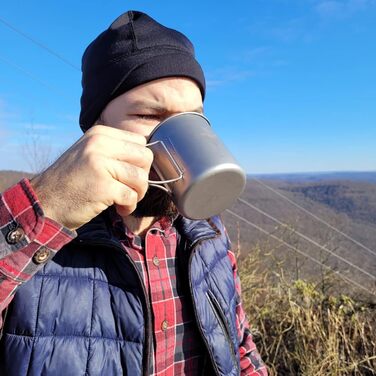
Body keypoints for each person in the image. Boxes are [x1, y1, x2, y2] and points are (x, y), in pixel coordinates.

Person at [0, 10, 267, 376]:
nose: (178, 135)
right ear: (96, 128)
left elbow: (240, 349)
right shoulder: (37, 249)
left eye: (193, 118)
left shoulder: (209, 235)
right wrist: (46, 204)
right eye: (148, 115)